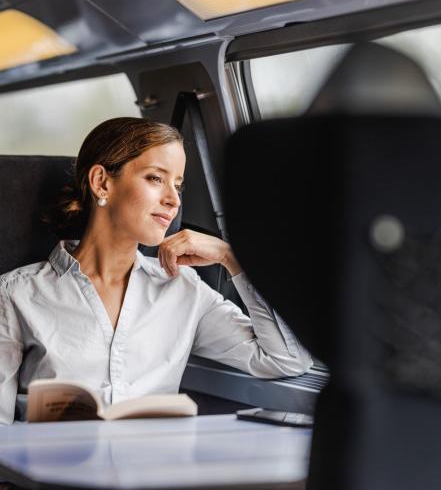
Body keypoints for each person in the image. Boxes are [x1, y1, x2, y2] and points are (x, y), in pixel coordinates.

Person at [0, 117, 312, 426]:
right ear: (102, 182)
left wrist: (231, 257)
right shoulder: (16, 295)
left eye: (178, 185)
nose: (173, 200)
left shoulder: (183, 288)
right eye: (155, 178)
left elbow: (287, 358)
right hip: (50, 473)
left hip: (151, 471)